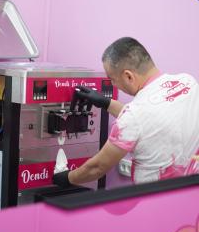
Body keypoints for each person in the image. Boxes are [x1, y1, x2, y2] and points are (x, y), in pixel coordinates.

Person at [53, 36, 199, 188]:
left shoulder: (133, 116)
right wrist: (105, 102)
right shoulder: (187, 82)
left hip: (157, 200)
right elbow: (149, 119)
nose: (113, 85)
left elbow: (97, 167)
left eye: (112, 80)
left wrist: (66, 178)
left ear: (128, 76)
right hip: (192, 193)